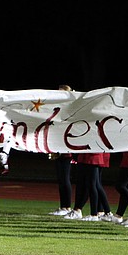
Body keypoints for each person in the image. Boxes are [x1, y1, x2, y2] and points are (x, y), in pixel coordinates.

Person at [48, 84, 75, 216]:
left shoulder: (70, 110)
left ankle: (67, 206)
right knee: (60, 178)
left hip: (67, 148)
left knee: (65, 178)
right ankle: (63, 206)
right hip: (58, 147)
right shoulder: (57, 109)